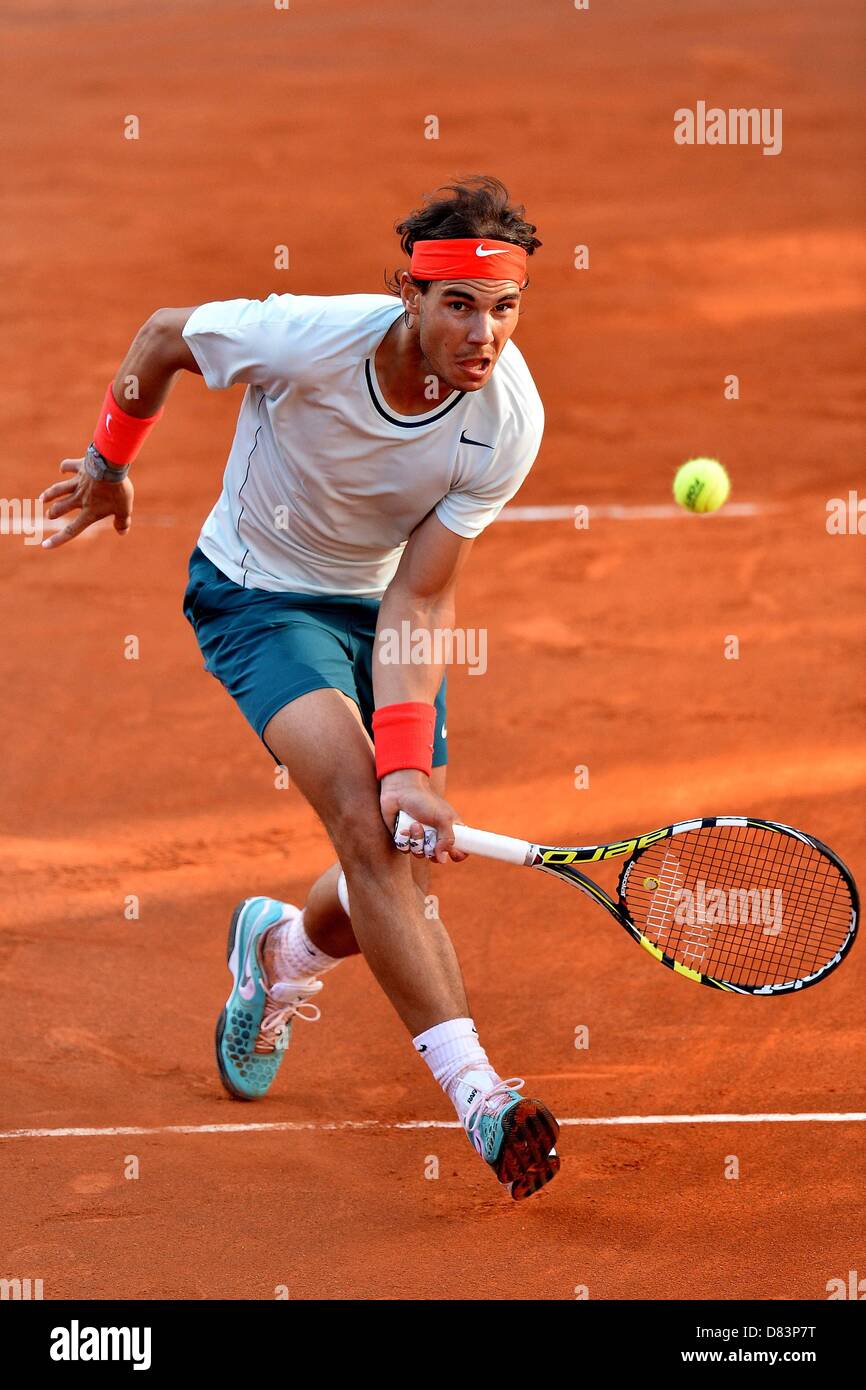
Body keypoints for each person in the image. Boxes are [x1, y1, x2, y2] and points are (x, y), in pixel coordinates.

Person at [39, 176, 559, 1200]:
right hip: (256, 599)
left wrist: (408, 762)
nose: (482, 334)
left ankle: (281, 949)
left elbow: (418, 601)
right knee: (368, 831)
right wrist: (107, 461)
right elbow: (162, 336)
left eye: (503, 308)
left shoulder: (506, 421)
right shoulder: (304, 339)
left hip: (376, 612)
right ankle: (481, 1094)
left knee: (399, 869)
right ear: (409, 296)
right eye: (458, 304)